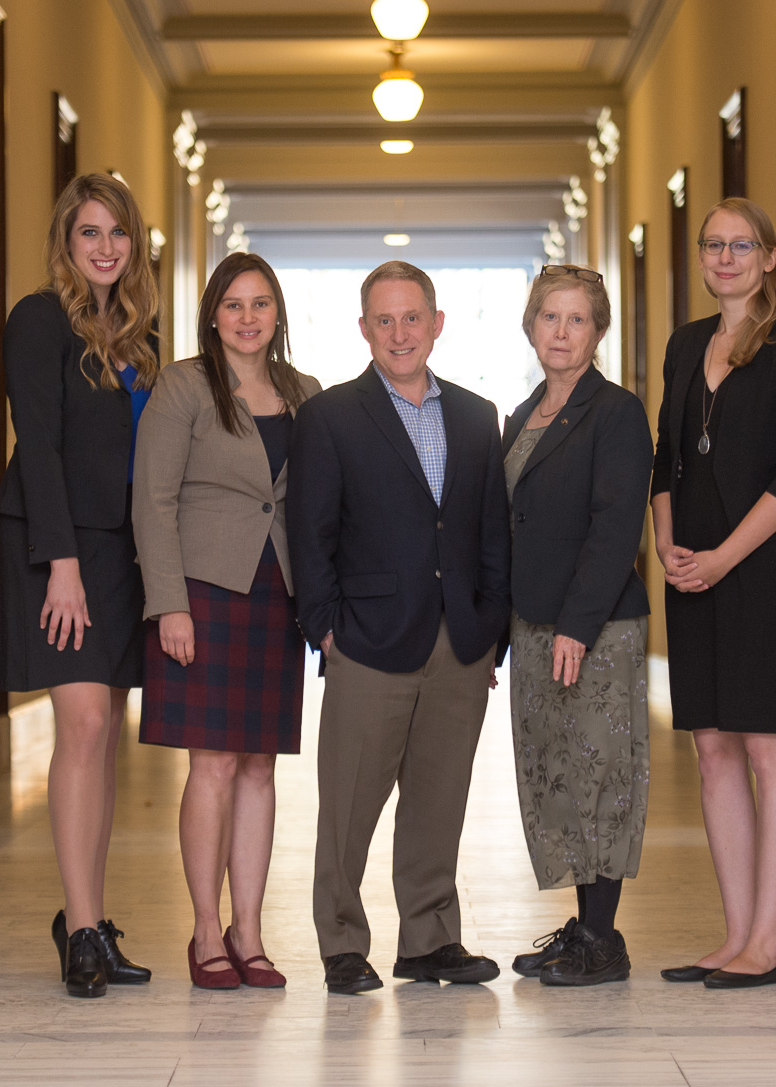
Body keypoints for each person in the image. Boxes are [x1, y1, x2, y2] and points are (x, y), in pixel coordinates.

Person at [287, 260, 511, 995]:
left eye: (412, 317)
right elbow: (309, 534)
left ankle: (429, 940)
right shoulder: (329, 417)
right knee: (349, 804)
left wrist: (491, 631)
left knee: (439, 800)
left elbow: (492, 531)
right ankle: (342, 944)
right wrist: (326, 630)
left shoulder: (477, 416)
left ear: (437, 323)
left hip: (460, 642)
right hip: (366, 641)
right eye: (383, 320)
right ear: (363, 329)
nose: (399, 332)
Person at [651, 197, 776, 989]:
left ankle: (769, 941)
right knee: (713, 749)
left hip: (762, 567)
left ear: (769, 257)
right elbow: (666, 456)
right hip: (692, 566)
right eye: (713, 244)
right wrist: (667, 541)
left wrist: (725, 556)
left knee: (767, 748)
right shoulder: (685, 343)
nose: (725, 257)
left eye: (742, 245)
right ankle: (735, 935)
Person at [0, 172, 158, 998]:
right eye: (90, 231)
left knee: (103, 733)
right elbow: (40, 443)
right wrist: (61, 564)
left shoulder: (139, 337)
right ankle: (82, 928)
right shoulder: (38, 318)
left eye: (118, 232)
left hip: (123, 553)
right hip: (61, 548)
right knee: (84, 721)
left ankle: (89, 918)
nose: (105, 247)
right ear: (66, 239)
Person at [133, 253, 320, 990]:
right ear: (212, 314)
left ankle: (250, 931)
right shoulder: (182, 386)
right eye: (234, 304)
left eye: (261, 303)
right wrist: (168, 603)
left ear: (278, 314)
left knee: (259, 765)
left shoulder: (305, 393)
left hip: (278, 595)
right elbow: (153, 500)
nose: (248, 317)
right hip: (203, 595)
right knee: (211, 763)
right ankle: (207, 931)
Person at [500, 265, 653, 986]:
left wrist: (577, 625)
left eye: (578, 319)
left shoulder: (616, 412)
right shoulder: (522, 414)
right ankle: (583, 927)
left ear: (598, 332)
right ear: (531, 325)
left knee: (602, 774)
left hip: (594, 629)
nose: (561, 332)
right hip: (533, 624)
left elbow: (616, 527)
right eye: (549, 317)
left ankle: (603, 940)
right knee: (558, 775)